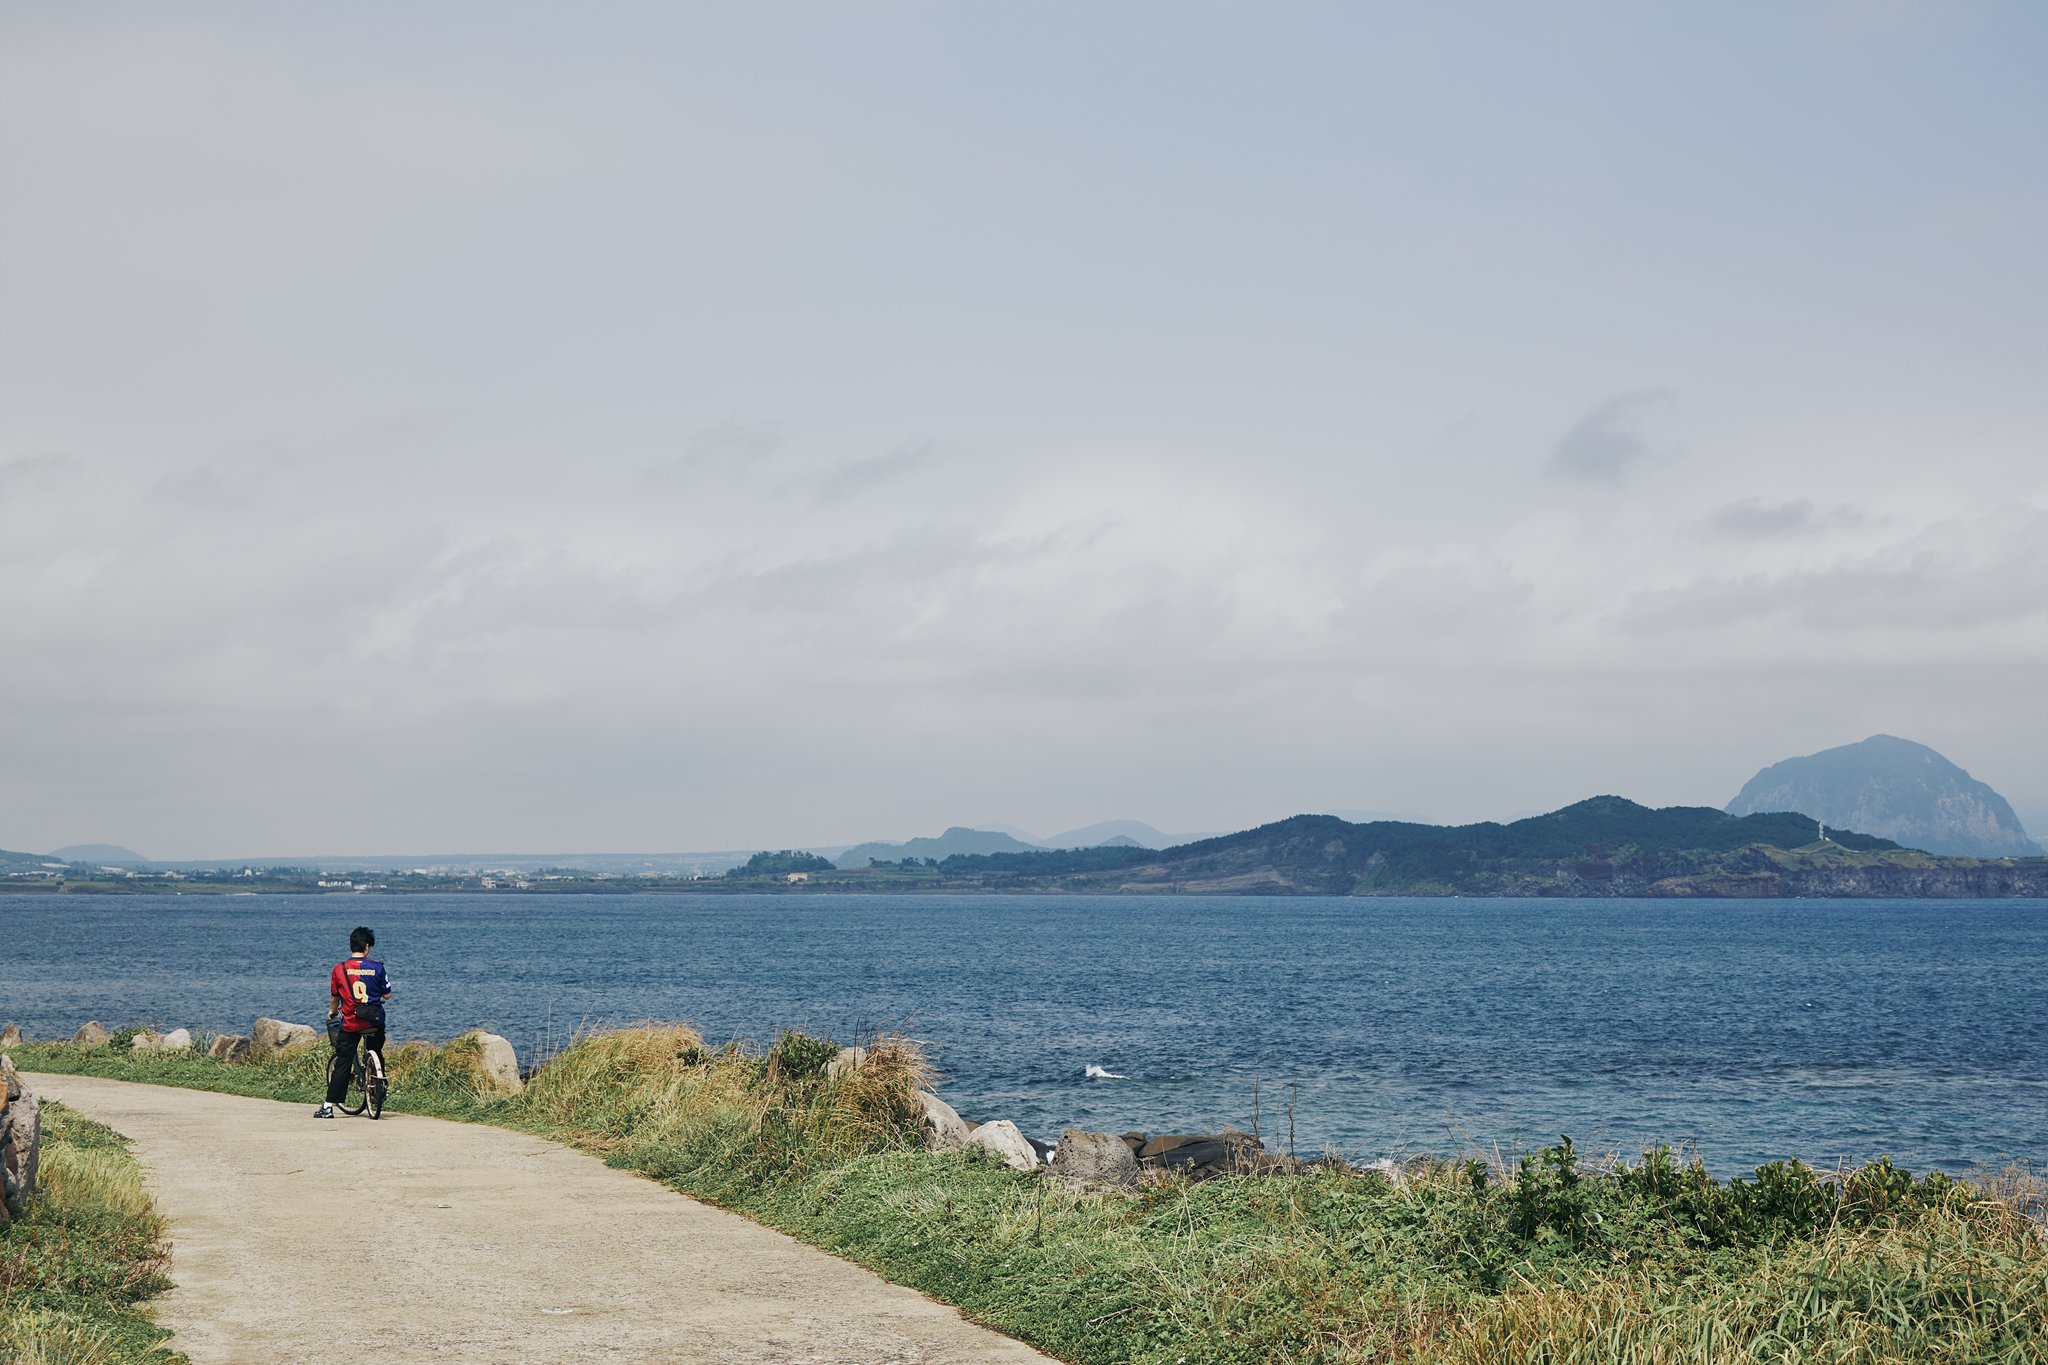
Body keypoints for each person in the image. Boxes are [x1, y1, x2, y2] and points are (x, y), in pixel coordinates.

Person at [315, 925, 391, 1119]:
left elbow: (334, 998)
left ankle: (327, 1107)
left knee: (343, 1061)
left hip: (351, 1023)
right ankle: (379, 1088)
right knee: (376, 1050)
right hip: (374, 1021)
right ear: (367, 947)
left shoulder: (339, 969)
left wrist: (333, 1012)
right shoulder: (378, 967)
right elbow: (387, 995)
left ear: (351, 945)